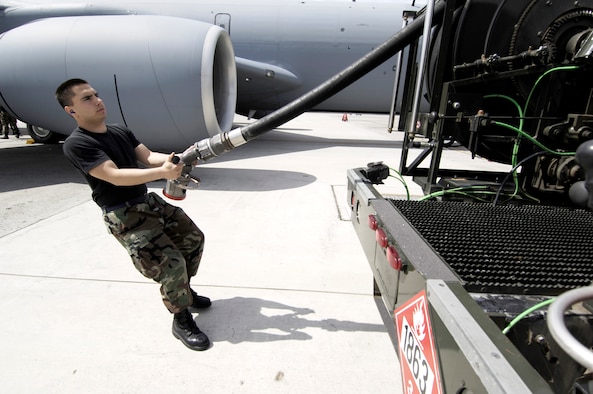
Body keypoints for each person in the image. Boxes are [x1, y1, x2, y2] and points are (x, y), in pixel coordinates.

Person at [56, 78, 211, 351]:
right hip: (123, 214)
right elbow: (113, 176)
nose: (98, 100)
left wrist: (179, 159)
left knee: (192, 239)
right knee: (169, 262)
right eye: (87, 98)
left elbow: (149, 156)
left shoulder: (119, 131)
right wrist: (163, 172)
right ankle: (181, 318)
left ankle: (182, 291)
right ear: (71, 110)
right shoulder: (76, 144)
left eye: (96, 94)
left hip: (146, 202)